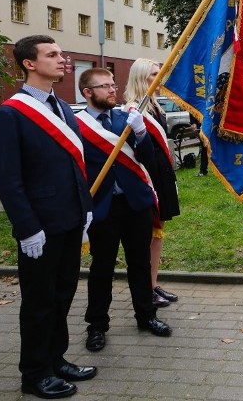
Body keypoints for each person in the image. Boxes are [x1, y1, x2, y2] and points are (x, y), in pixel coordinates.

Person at [0, 34, 96, 399]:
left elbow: (75, 165)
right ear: (29, 64)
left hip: (70, 219)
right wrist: (27, 228)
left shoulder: (63, 108)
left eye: (62, 53)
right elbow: (8, 179)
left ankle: (56, 358)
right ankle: (34, 373)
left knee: (63, 294)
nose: (62, 59)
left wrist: (86, 209)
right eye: (52, 55)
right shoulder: (9, 114)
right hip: (40, 228)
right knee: (39, 302)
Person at [76, 68, 172, 353]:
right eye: (104, 86)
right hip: (101, 207)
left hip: (135, 204)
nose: (112, 90)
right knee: (102, 268)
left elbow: (147, 161)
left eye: (113, 85)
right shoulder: (75, 123)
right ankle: (96, 326)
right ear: (87, 92)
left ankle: (146, 316)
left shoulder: (125, 119)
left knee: (140, 264)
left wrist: (141, 134)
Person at [124, 59, 182, 308]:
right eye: (154, 75)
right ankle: (145, 288)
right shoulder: (132, 109)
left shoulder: (155, 106)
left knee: (158, 235)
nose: (159, 79)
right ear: (140, 78)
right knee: (149, 235)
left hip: (162, 174)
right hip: (148, 176)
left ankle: (153, 282)